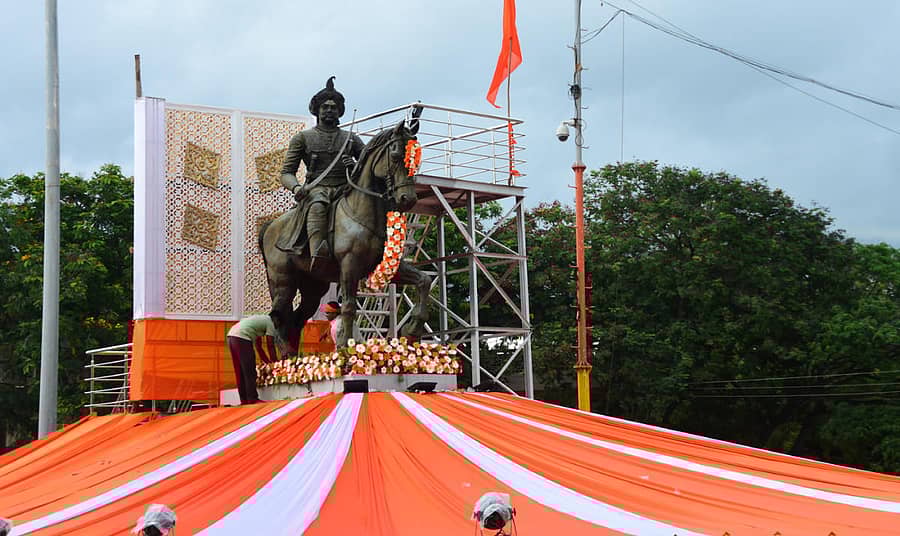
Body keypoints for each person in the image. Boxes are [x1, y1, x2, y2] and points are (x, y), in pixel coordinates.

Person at [279, 76, 365, 269]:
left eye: (333, 107)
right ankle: (318, 252)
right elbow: (286, 173)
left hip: (346, 189)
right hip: (317, 190)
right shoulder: (303, 138)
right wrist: (296, 188)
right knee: (317, 205)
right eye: (325, 107)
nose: (329, 110)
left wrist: (354, 166)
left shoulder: (350, 138)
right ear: (317, 110)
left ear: (339, 111)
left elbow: (368, 164)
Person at [227, 314, 276, 404]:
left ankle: (244, 400)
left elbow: (259, 347)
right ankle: (252, 399)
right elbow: (270, 345)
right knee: (249, 371)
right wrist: (275, 364)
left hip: (231, 337)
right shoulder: (271, 322)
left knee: (240, 372)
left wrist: (268, 363)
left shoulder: (260, 322)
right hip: (242, 338)